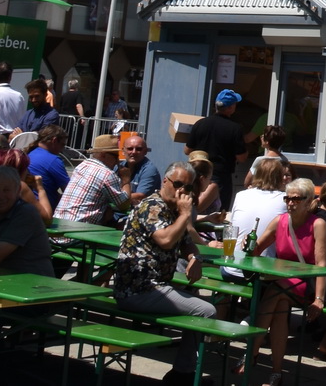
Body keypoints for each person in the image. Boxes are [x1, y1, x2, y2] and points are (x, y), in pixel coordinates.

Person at [114, 161, 216, 386]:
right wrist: (185, 215)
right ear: (165, 182)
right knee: (206, 311)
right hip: (138, 288)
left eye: (188, 188)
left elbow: (187, 243)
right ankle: (182, 375)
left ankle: (183, 370)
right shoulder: (153, 206)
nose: (182, 191)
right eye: (178, 184)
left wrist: (194, 258)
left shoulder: (173, 210)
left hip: (155, 285)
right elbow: (167, 240)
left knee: (195, 298)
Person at [245, 178, 326, 386]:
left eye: (296, 199)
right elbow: (256, 250)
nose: (290, 203)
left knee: (275, 290)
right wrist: (249, 243)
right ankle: (276, 372)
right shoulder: (280, 221)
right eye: (287, 198)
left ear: (309, 201)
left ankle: (252, 351)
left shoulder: (317, 224)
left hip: (305, 282)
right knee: (279, 307)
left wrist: (319, 299)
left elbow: (321, 264)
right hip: (282, 282)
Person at [0, 166, 53, 276]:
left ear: (18, 191)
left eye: (6, 190)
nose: (0, 196)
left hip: (33, 285)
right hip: (2, 280)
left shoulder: (26, 213)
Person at [185, 90, 250, 204]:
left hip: (197, 174)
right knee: (219, 213)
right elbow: (241, 158)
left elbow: (187, 150)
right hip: (220, 177)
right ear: (230, 107)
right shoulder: (235, 129)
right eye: (235, 104)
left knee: (192, 206)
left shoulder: (200, 123)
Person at [55, 135, 132, 223]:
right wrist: (126, 180)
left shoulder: (82, 166)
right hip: (79, 229)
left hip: (59, 222)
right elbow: (124, 205)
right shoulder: (107, 173)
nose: (117, 161)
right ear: (103, 154)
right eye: (115, 156)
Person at [229, 157, 289, 244]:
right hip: (267, 257)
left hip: (235, 254)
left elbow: (231, 227)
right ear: (279, 177)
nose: (284, 178)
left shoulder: (241, 195)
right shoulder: (285, 199)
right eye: (283, 175)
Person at [120, 133, 160, 206]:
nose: (134, 152)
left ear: (145, 152)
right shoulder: (120, 166)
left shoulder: (149, 170)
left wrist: (115, 198)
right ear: (123, 151)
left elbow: (140, 196)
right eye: (130, 149)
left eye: (138, 149)